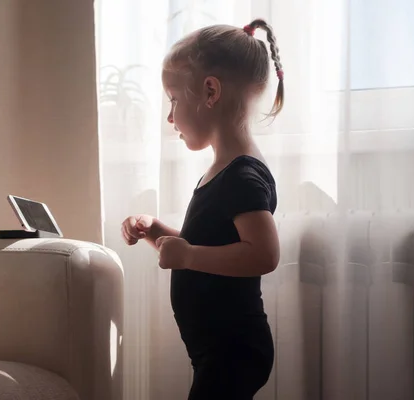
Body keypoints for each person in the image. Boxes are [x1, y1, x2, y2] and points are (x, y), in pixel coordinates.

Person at [121, 19, 282, 400]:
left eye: (174, 99)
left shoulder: (241, 175)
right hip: (219, 349)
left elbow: (263, 253)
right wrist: (157, 232)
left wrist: (189, 254)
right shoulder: (223, 171)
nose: (170, 117)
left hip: (234, 349)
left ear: (210, 91)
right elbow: (210, 246)